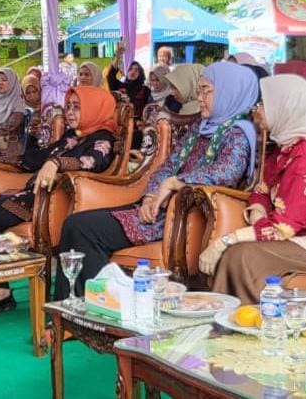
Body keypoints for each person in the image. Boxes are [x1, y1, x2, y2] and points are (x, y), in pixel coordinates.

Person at [55, 61, 259, 300]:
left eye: (206, 91)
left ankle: (105, 304)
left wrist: (173, 183)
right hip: (158, 208)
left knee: (82, 229)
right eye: (199, 90)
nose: (200, 97)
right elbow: (168, 164)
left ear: (228, 92)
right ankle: (73, 307)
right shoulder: (201, 127)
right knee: (74, 224)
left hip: (181, 217)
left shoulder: (237, 133)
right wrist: (150, 196)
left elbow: (225, 173)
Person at [0, 86, 118, 315]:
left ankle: (0, 292)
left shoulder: (103, 139)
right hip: (35, 194)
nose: (70, 112)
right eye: (68, 106)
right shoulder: (74, 136)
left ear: (95, 109)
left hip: (49, 202)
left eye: (77, 107)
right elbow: (40, 156)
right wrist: (17, 154)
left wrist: (57, 163)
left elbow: (91, 162)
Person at [203, 74, 306, 303]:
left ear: (283, 107)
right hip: (291, 239)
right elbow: (261, 190)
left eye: (262, 104)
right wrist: (258, 213)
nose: (256, 110)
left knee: (241, 255)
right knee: (239, 254)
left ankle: (247, 318)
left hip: (299, 240)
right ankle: (232, 318)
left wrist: (226, 240)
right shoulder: (284, 150)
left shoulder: (303, 157)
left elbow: (284, 226)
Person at [107, 45, 151, 121]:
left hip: (138, 124)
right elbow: (111, 76)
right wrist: (117, 57)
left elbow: (148, 110)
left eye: (136, 70)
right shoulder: (120, 86)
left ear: (141, 74)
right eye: (130, 69)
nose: (132, 71)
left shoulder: (145, 90)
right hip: (120, 123)